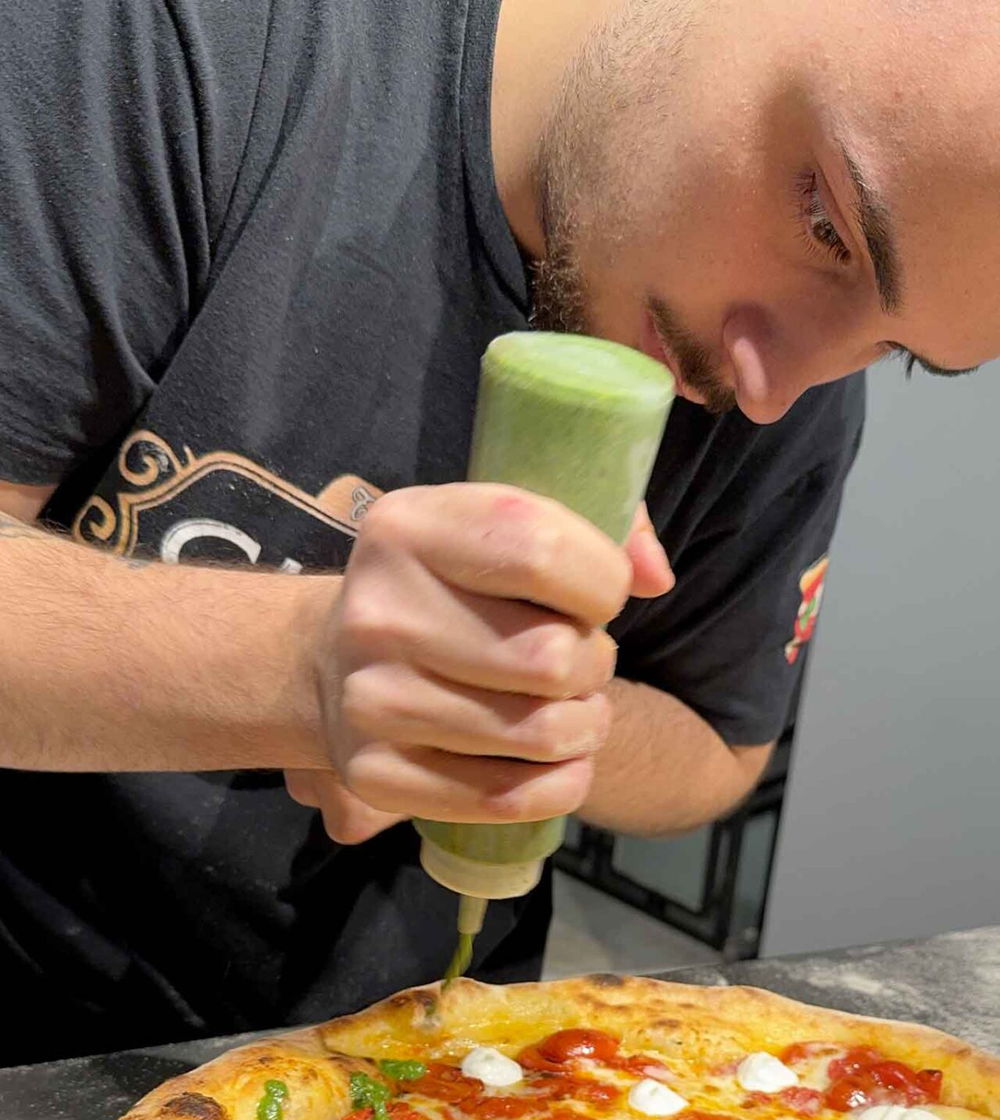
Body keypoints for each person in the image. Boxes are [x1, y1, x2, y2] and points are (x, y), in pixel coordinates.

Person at [0, 0, 993, 1065]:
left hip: (438, 1056)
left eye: (894, 349)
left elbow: (721, 744)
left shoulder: (791, 401)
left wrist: (526, 698)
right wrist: (303, 670)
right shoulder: (180, 47)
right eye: (826, 227)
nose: (766, 388)